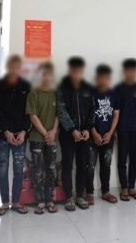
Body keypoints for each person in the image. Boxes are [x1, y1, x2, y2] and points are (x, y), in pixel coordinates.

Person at [0, 54, 31, 215]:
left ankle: (16, 202)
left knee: (19, 169)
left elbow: (29, 112)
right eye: (11, 66)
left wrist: (24, 132)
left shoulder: (26, 86)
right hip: (3, 136)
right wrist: (5, 131)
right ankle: (4, 203)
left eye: (17, 67)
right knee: (2, 169)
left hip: (21, 135)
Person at [57, 56, 94, 211]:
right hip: (68, 135)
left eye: (79, 71)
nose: (77, 73)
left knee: (82, 165)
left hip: (84, 135)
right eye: (74, 70)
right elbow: (61, 110)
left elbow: (92, 110)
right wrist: (72, 130)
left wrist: (87, 129)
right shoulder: (62, 87)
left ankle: (80, 195)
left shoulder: (87, 88)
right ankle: (69, 197)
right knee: (67, 166)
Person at [27, 62, 60, 215]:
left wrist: (53, 132)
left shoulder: (56, 93)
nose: (47, 77)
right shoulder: (34, 93)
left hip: (52, 137)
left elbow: (58, 115)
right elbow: (33, 116)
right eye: (44, 74)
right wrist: (46, 134)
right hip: (37, 138)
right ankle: (40, 201)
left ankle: (50, 200)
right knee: (38, 171)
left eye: (49, 74)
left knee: (51, 170)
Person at [87, 64, 120, 205]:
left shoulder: (114, 94)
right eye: (101, 78)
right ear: (97, 78)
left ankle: (105, 192)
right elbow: (87, 114)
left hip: (108, 136)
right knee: (90, 165)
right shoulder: (90, 94)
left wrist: (110, 133)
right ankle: (89, 193)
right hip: (92, 136)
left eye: (106, 78)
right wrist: (93, 132)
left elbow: (116, 115)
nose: (103, 80)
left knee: (106, 164)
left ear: (109, 79)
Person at [114, 58, 136, 201]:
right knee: (122, 160)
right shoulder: (118, 89)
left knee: (134, 160)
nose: (131, 73)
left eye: (133, 70)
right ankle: (124, 188)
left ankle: (132, 187)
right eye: (128, 70)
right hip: (123, 129)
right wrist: (115, 131)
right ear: (125, 71)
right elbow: (116, 112)